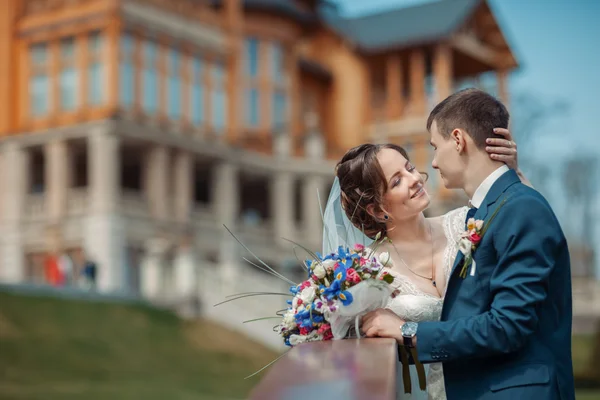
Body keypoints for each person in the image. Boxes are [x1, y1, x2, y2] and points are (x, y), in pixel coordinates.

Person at [357, 89, 575, 399]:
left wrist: (408, 331)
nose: (430, 164)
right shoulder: (486, 212)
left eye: (435, 146)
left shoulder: (519, 208)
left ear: (458, 140)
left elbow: (509, 326)